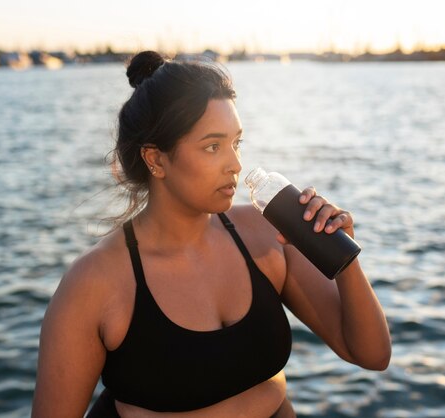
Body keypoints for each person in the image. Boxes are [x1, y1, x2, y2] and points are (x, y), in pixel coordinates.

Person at [31, 50, 391, 418]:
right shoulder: (95, 283)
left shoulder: (267, 234)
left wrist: (341, 253)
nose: (235, 164)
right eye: (212, 147)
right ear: (155, 159)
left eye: (236, 143)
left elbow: (371, 354)